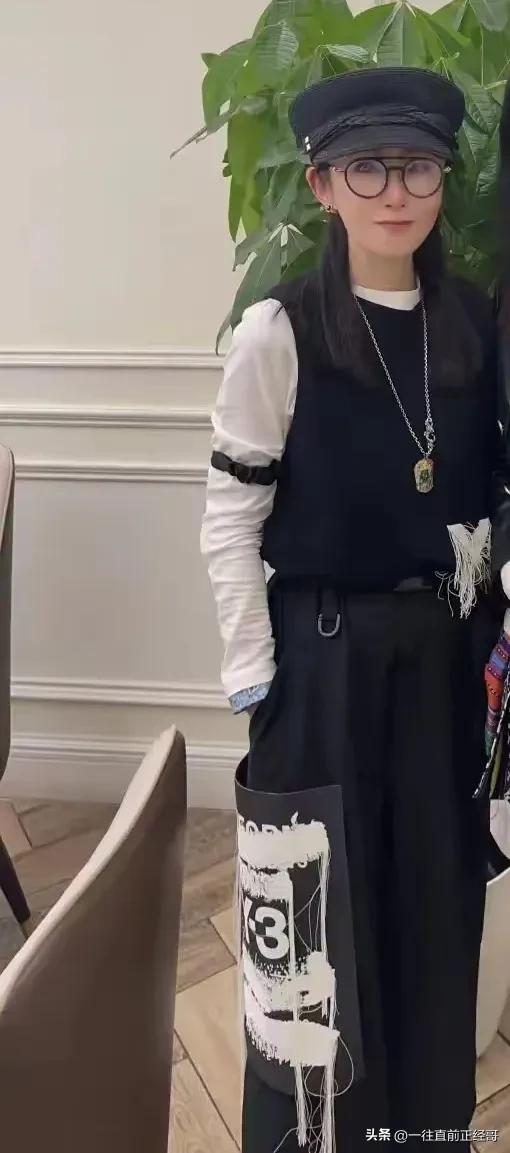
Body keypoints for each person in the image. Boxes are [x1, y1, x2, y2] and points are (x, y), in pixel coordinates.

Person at [201, 67, 510, 1153]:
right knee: (313, 939)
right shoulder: (278, 332)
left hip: (444, 666)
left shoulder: (472, 325)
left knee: (434, 918)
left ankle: (425, 1134)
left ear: (442, 180)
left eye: (418, 167)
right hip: (321, 661)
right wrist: (257, 678)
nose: (396, 193)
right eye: (367, 168)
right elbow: (231, 515)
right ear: (323, 185)